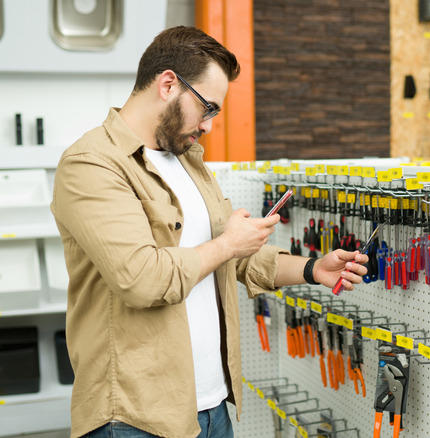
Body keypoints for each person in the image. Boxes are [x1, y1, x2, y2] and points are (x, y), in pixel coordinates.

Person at [50, 26, 368, 438]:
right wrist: (227, 243)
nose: (209, 127)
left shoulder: (188, 162)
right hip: (134, 417)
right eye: (207, 108)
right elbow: (142, 278)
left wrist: (312, 269)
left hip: (212, 406)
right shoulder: (92, 164)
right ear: (168, 84)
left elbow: (233, 256)